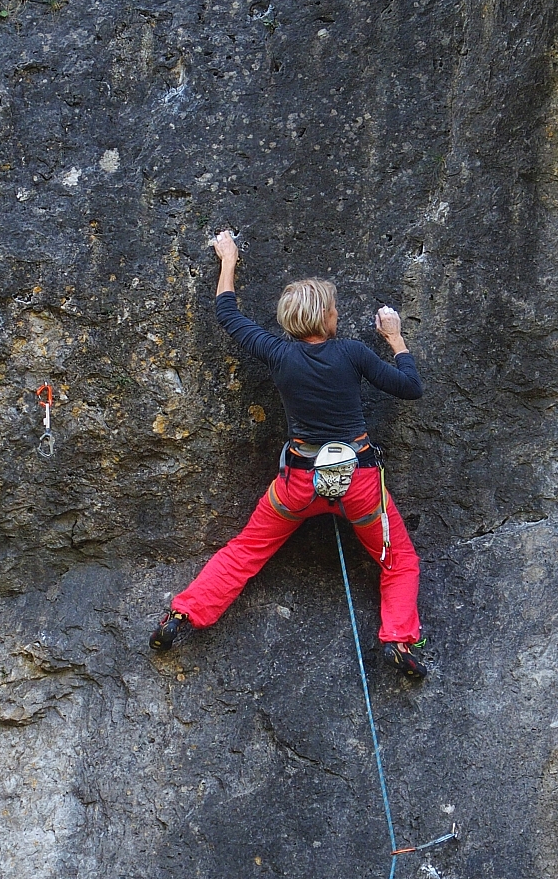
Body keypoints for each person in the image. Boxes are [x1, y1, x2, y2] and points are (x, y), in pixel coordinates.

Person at [150, 229, 428, 677]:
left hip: (298, 481)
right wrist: (395, 339)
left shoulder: (278, 353)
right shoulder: (353, 353)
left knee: (245, 551)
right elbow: (410, 388)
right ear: (327, 317)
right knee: (399, 561)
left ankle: (183, 615)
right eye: (335, 308)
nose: (338, 312)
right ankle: (398, 639)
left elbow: (227, 313)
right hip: (357, 482)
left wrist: (228, 258)